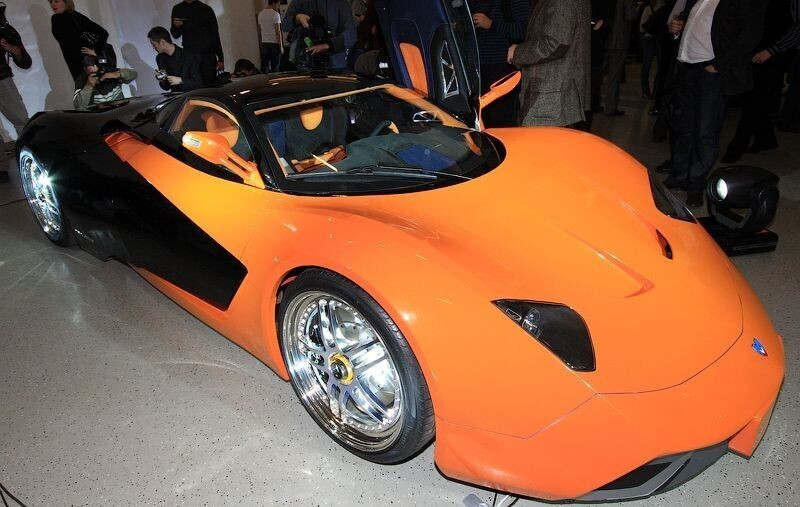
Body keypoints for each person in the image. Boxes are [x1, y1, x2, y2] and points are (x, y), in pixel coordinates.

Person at [665, 0, 766, 207]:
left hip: (710, 74)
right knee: (682, 128)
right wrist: (675, 30)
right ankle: (679, 175)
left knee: (706, 132)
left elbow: (751, 33)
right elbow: (690, 29)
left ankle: (695, 184)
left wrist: (720, 64)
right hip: (686, 68)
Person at [722, 0, 793, 162]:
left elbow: (796, 28)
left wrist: (771, 51)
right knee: (753, 98)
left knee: (754, 101)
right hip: (752, 53)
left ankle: (736, 148)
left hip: (773, 56)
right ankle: (766, 139)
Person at [508, 0, 591, 127]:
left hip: (550, 97)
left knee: (539, 139)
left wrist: (517, 52)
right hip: (553, 96)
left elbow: (555, 43)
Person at [470, 0, 530, 127]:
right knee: (481, 120)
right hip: (477, 68)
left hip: (503, 69)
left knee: (501, 119)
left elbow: (525, 30)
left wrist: (491, 24)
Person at [0, 4, 31, 184]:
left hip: (2, 80)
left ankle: (32, 155)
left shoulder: (3, 28)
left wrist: (12, 48)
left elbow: (24, 61)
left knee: (20, 119)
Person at [282, 0, 356, 71]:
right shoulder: (299, 2)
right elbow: (285, 25)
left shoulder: (341, 3)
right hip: (305, 62)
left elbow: (351, 33)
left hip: (335, 64)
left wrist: (330, 45)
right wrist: (297, 18)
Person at [50, 0, 109, 80]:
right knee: (82, 85)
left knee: (95, 84)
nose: (53, 4)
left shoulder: (76, 17)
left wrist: (96, 51)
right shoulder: (55, 19)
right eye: (51, 1)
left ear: (66, 2)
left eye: (56, 1)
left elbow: (103, 33)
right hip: (73, 64)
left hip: (88, 63)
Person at [171, 0, 224, 86]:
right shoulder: (178, 9)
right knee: (193, 85)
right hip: (190, 56)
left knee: (210, 86)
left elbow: (215, 34)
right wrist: (175, 26)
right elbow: (175, 35)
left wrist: (221, 58)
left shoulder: (206, 9)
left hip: (207, 55)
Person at [604, 0, 637, 116]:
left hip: (607, 37)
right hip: (619, 39)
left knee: (601, 73)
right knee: (614, 76)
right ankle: (610, 107)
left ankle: (595, 103)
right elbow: (630, 16)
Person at [148, 26, 203, 93]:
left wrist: (181, 81)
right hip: (174, 96)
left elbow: (198, 82)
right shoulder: (160, 58)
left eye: (154, 45)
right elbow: (166, 87)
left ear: (162, 42)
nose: (153, 48)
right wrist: (162, 79)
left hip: (190, 95)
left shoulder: (188, 55)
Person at [258, 0, 283, 73]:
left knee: (264, 66)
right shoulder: (275, 14)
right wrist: (281, 46)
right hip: (274, 43)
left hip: (264, 42)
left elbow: (260, 29)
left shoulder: (260, 14)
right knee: (275, 67)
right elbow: (278, 31)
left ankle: (264, 80)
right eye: (278, 4)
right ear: (274, 3)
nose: (278, 6)